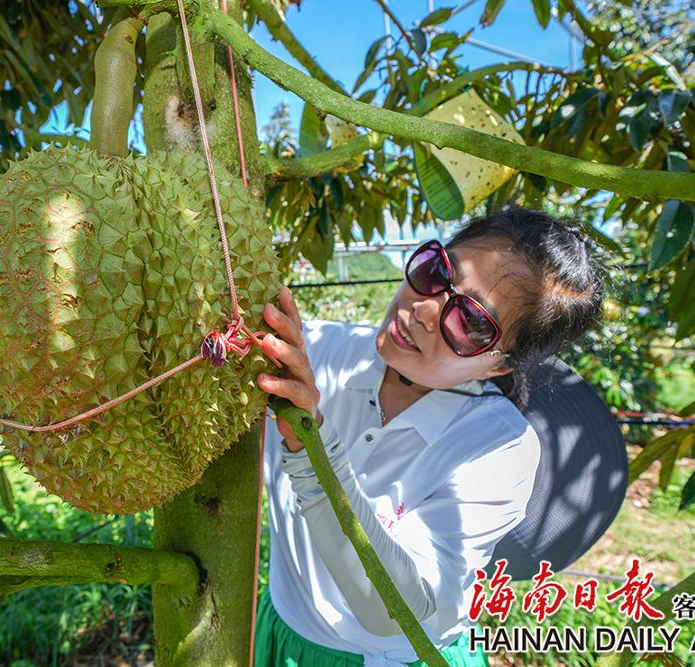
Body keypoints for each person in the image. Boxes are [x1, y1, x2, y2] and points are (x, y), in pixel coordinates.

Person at [253, 208, 606, 667]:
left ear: (499, 365)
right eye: (436, 272)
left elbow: (392, 611)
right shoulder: (315, 351)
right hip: (287, 635)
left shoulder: (501, 449)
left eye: (472, 323)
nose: (422, 309)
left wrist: (309, 442)